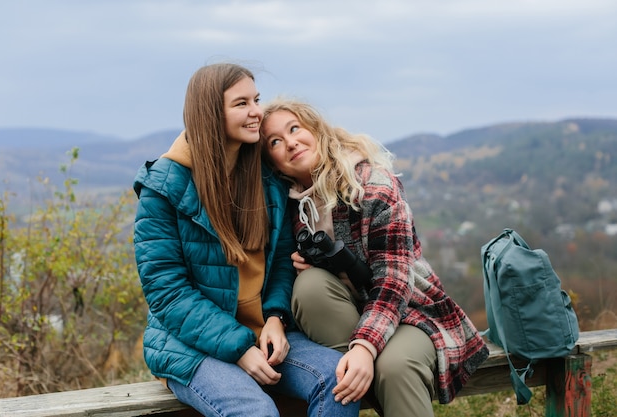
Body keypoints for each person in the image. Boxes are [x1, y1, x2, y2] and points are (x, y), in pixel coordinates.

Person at [132, 64, 361, 417]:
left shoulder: (264, 174)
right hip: (192, 346)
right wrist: (238, 347)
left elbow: (283, 259)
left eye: (256, 99)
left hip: (262, 332)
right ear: (210, 113)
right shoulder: (163, 187)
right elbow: (167, 292)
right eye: (241, 103)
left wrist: (274, 318)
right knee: (255, 411)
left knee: (336, 380)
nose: (257, 111)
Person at [260, 98, 490, 417]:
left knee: (393, 367)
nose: (290, 142)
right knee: (310, 285)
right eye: (275, 141)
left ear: (315, 129)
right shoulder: (286, 205)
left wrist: (366, 347)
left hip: (407, 309)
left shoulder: (372, 186)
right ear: (272, 162)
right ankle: (358, 374)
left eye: (295, 128)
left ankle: (366, 368)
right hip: (347, 310)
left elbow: (393, 283)